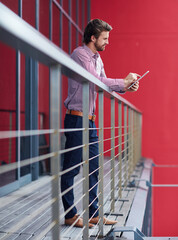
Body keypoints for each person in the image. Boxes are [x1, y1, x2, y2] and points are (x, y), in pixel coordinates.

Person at [61, 19, 140, 228]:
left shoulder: (97, 59)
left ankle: (94, 213)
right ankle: (70, 214)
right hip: (76, 118)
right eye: (105, 38)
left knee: (94, 166)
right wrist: (122, 82)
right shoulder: (80, 55)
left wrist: (126, 87)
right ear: (93, 38)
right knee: (71, 168)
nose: (107, 42)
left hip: (90, 121)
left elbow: (104, 84)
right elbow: (95, 80)